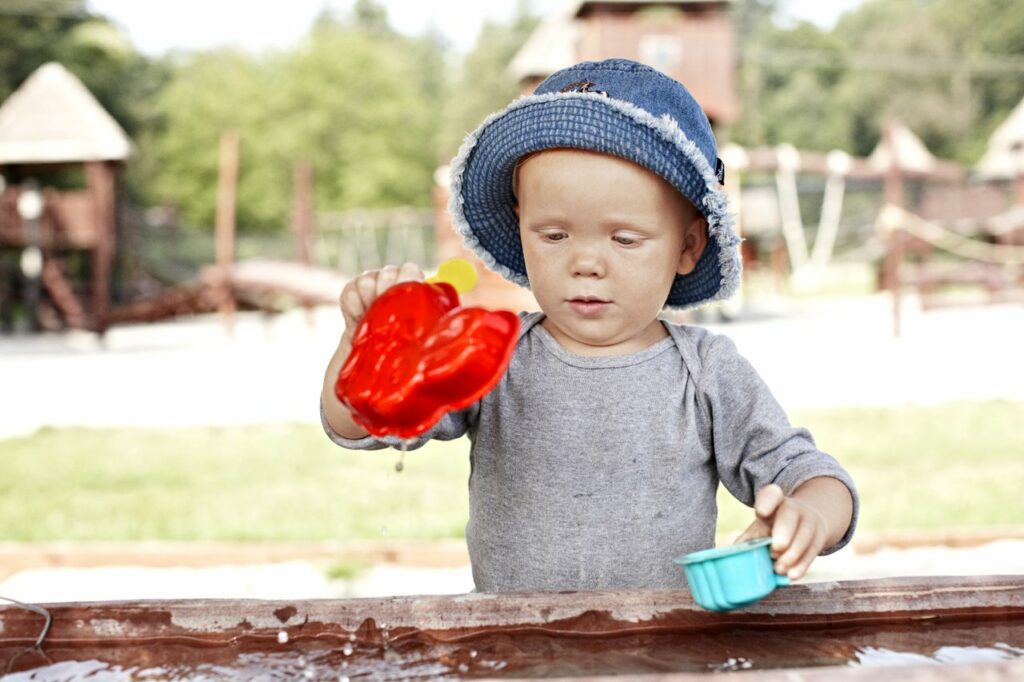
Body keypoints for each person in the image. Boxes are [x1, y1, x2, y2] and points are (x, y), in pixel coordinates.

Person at [320, 58, 858, 593]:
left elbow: (814, 476)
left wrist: (809, 514)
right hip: (516, 642)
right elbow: (359, 425)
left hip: (659, 643)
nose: (586, 263)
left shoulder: (706, 373)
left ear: (688, 246)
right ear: (521, 228)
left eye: (624, 239)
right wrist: (367, 344)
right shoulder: (493, 354)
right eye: (554, 235)